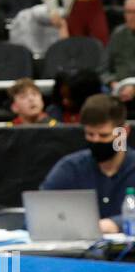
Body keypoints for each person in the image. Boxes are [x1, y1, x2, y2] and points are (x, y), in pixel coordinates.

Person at [41, 93, 135, 233]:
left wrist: (115, 224)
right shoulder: (70, 168)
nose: (96, 140)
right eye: (90, 134)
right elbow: (40, 213)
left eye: (104, 135)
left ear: (124, 132)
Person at [107, 0, 135, 103]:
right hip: (118, 88)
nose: (131, 17)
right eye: (128, 12)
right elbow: (103, 69)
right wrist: (112, 82)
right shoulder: (117, 34)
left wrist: (133, 87)